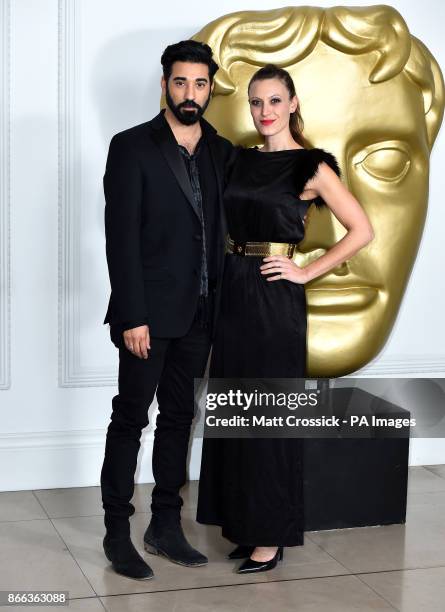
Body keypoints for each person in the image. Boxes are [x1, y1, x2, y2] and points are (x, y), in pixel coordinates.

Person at [196, 64, 374, 573]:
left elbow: (361, 230)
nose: (264, 112)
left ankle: (268, 537)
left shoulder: (312, 168)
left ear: (293, 103)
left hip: (275, 299)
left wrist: (306, 271)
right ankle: (242, 523)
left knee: (269, 416)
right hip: (233, 290)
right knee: (236, 410)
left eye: (274, 101)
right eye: (256, 102)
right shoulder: (240, 160)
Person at [100, 40, 233, 580]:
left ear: (209, 89)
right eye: (180, 82)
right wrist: (132, 315)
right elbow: (119, 238)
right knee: (131, 419)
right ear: (165, 84)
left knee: (180, 419)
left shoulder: (221, 152)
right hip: (147, 318)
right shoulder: (131, 146)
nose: (190, 93)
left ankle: (165, 524)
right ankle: (115, 531)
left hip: (202, 315)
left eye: (200, 84)